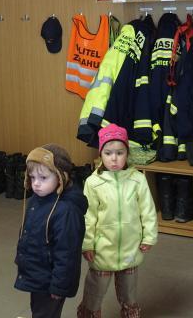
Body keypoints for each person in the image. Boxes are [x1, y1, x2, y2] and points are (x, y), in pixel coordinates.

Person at [77, 124, 158, 318]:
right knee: (95, 290)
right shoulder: (93, 183)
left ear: (127, 153)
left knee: (129, 290)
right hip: (102, 249)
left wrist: (149, 236)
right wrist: (87, 244)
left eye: (120, 153)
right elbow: (88, 217)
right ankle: (90, 312)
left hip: (130, 248)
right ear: (100, 154)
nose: (114, 158)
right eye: (108, 153)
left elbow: (148, 211)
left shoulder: (138, 180)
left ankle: (130, 311)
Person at [15, 144, 87, 318]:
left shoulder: (66, 211)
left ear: (61, 177)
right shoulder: (36, 200)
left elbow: (67, 254)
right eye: (32, 177)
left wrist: (59, 286)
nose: (36, 183)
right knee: (38, 310)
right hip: (37, 274)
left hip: (51, 281)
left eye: (43, 177)